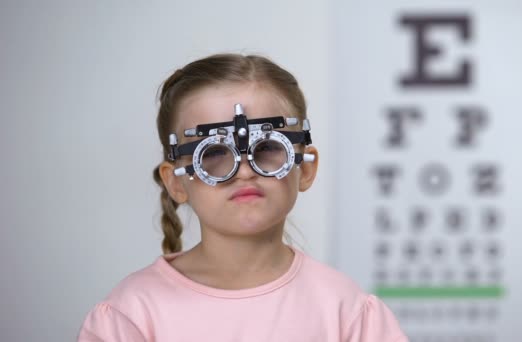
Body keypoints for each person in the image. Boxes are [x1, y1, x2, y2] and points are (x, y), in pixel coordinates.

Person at [78, 53, 408, 341]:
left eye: (267, 148)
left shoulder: (345, 310)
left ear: (305, 169)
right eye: (213, 155)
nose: (245, 170)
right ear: (175, 183)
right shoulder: (132, 313)